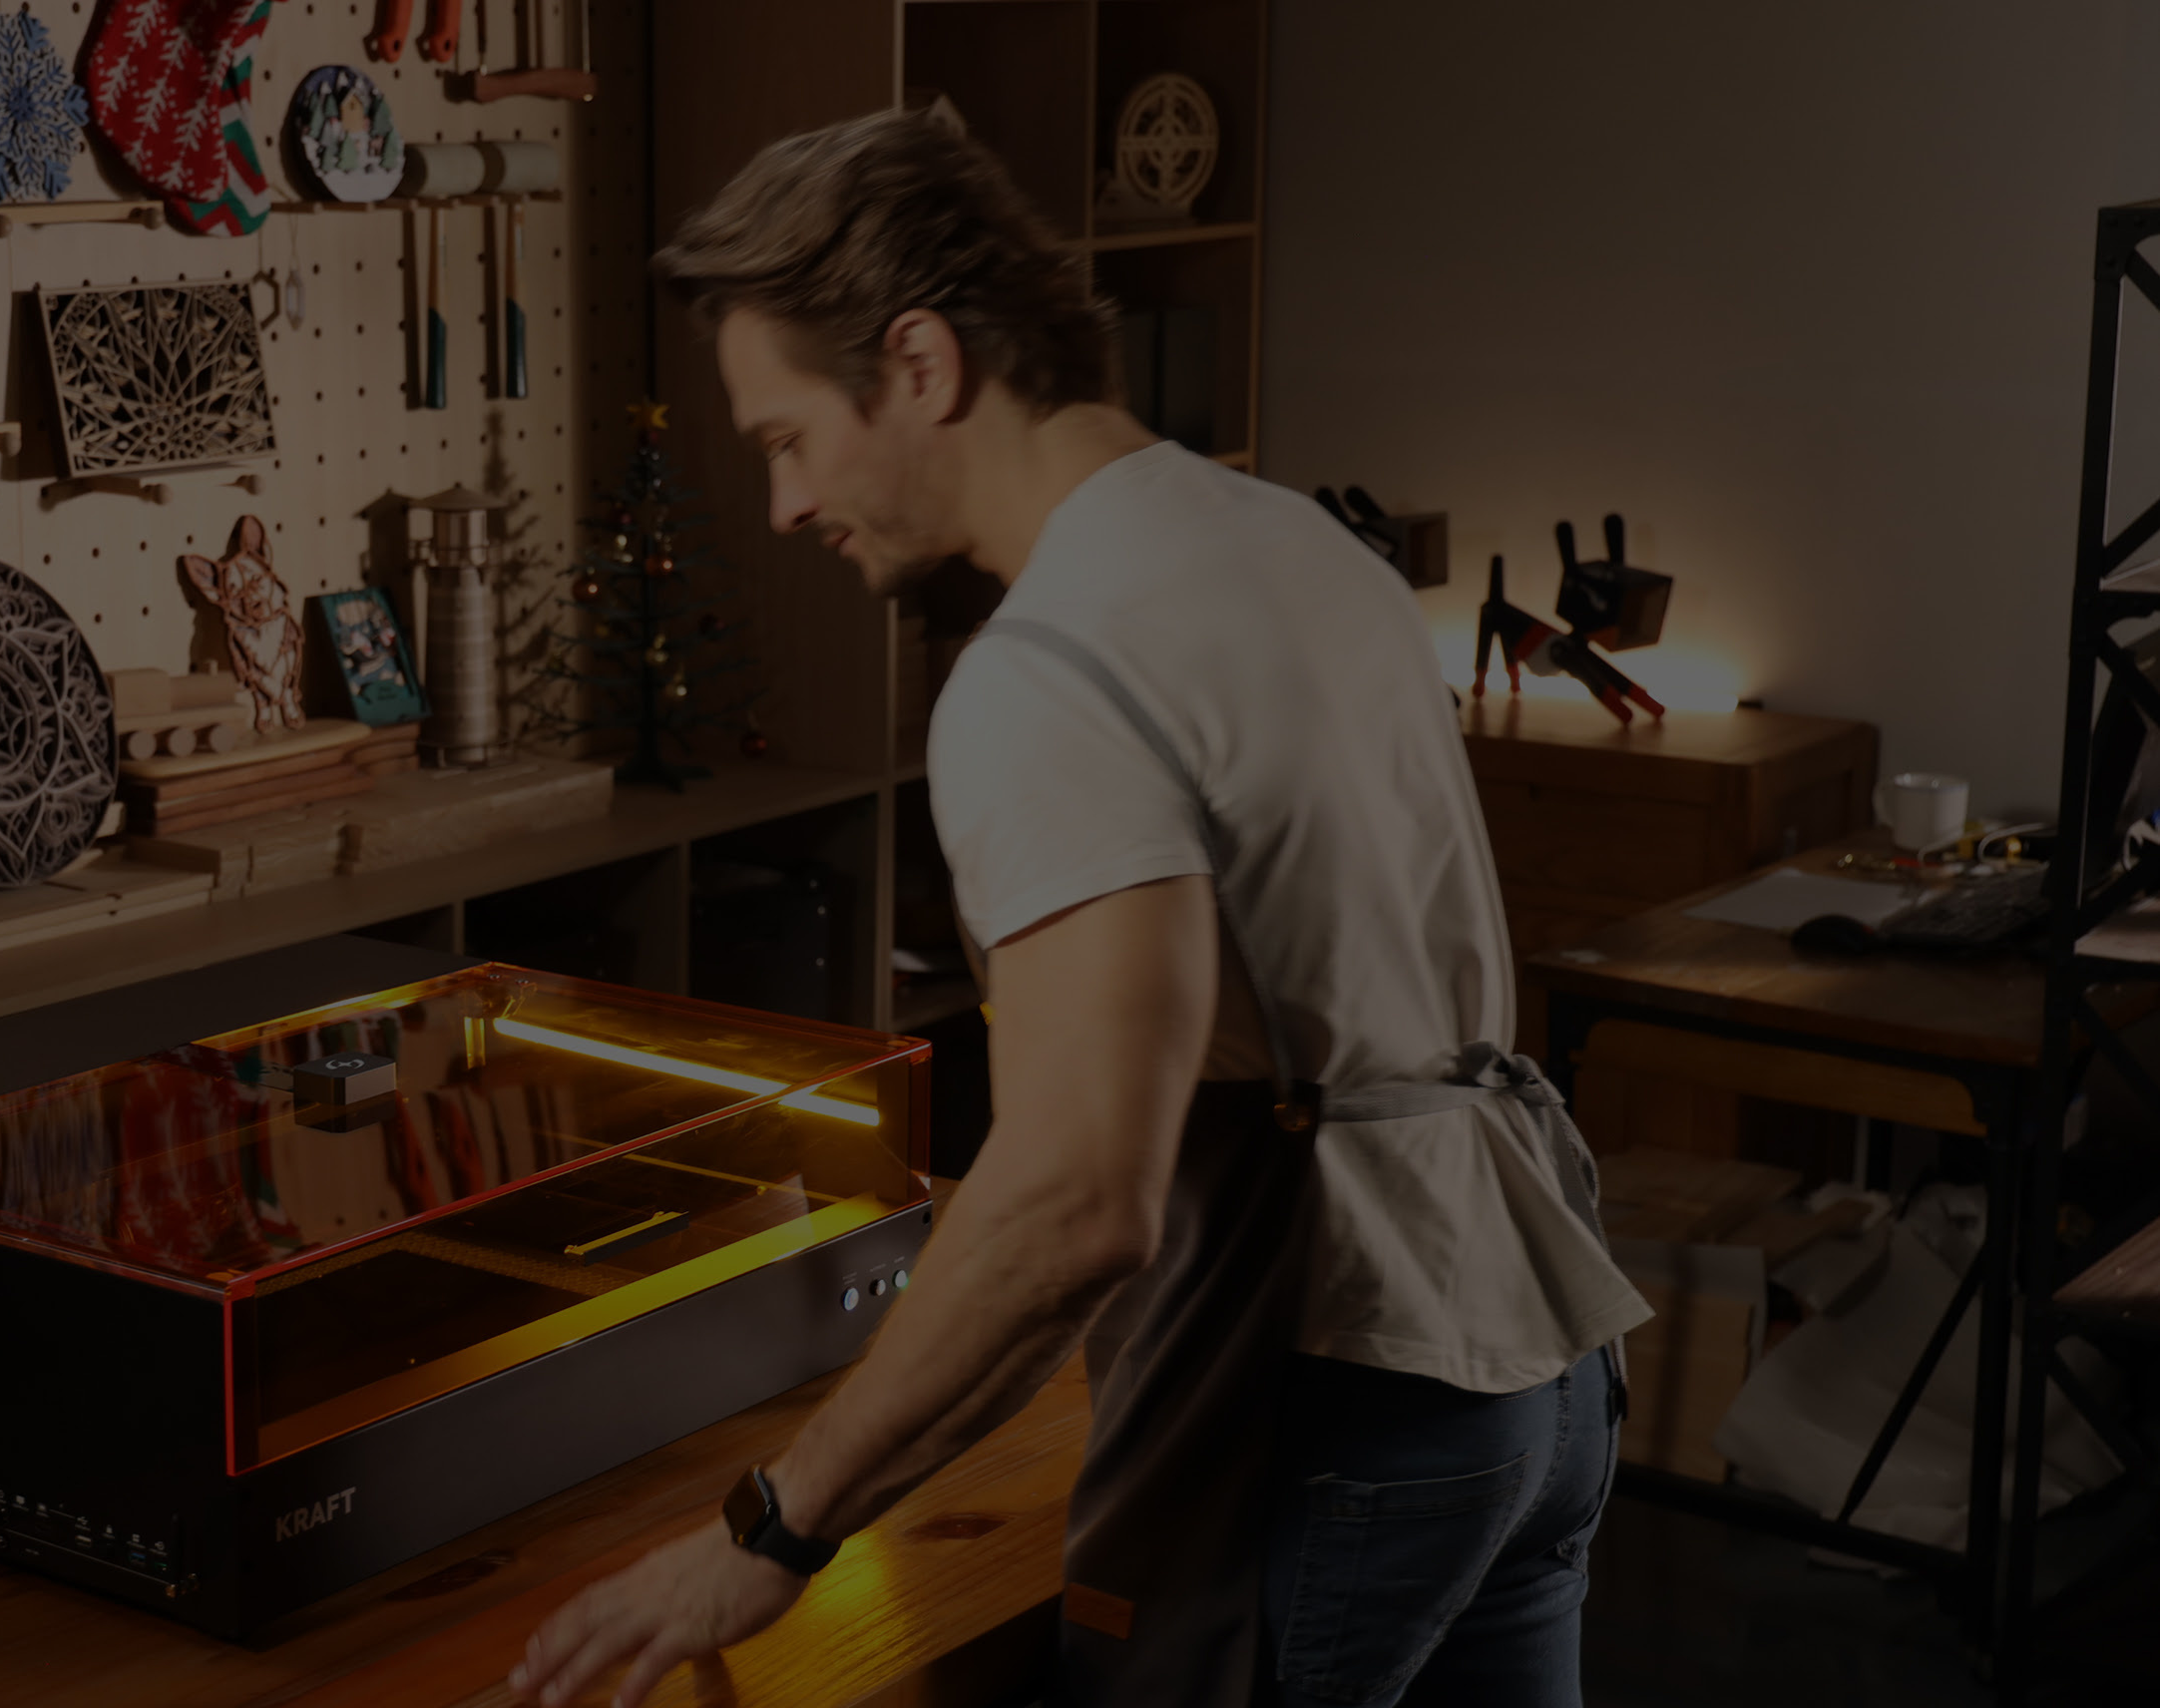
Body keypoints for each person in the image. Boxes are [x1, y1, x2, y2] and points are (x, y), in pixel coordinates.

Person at [510, 109, 1652, 1708]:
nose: (781, 505)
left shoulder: (1048, 676)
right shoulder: (1297, 541)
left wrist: (772, 1530)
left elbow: (1073, 1203)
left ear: (917, 365)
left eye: (782, 439)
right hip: (1533, 1374)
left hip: (1333, 1404)